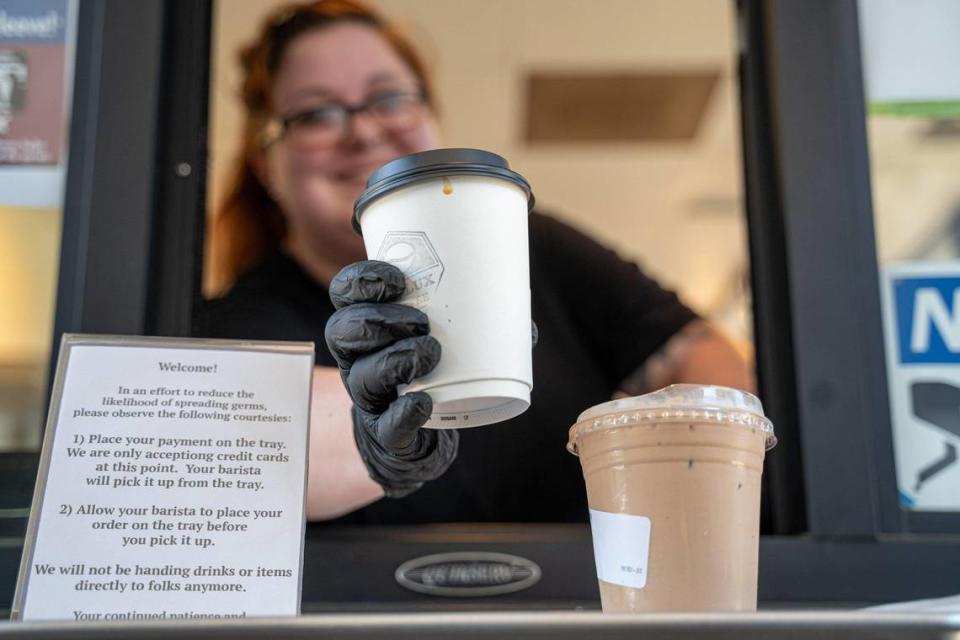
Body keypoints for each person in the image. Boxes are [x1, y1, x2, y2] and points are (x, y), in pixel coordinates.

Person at [196, 0, 754, 524]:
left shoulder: (531, 246)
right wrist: (376, 432)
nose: (365, 130)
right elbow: (256, 448)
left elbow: (695, 351)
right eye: (317, 113)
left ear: (431, 114)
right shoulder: (240, 319)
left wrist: (687, 480)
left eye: (389, 97)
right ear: (264, 163)